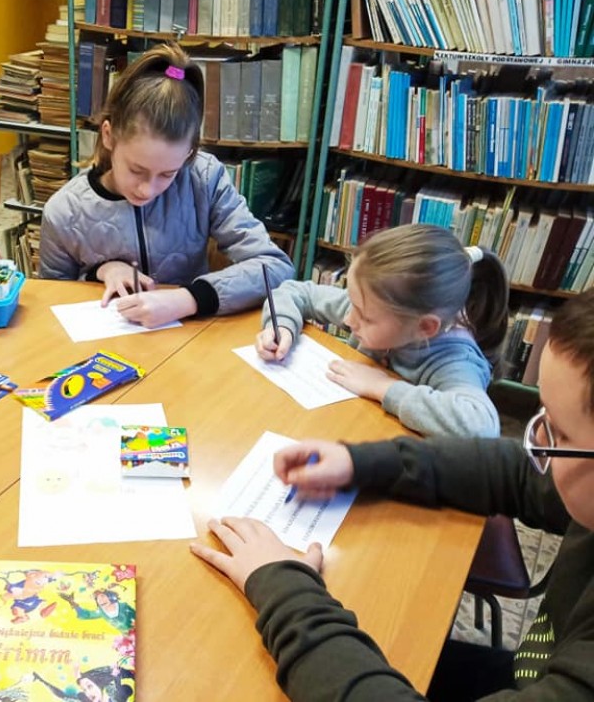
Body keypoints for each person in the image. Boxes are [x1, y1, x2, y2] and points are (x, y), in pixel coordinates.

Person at [193, 288, 594, 701]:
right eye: (542, 419)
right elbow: (516, 473)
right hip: (533, 670)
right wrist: (360, 463)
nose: (538, 446)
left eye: (561, 434)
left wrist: (281, 587)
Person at [38, 43, 294, 329]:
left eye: (168, 174)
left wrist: (189, 299)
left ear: (188, 154)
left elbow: (275, 267)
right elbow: (50, 305)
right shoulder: (63, 212)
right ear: (108, 136)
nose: (147, 190)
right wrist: (99, 271)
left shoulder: (204, 178)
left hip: (189, 339)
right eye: (136, 170)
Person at [256, 224, 508, 437]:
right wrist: (283, 326)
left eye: (365, 317)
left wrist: (383, 387)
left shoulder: (455, 360)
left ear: (424, 327)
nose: (348, 319)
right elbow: (295, 291)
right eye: (353, 305)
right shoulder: (374, 306)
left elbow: (482, 427)